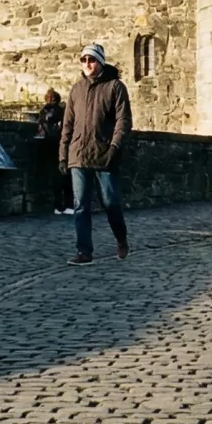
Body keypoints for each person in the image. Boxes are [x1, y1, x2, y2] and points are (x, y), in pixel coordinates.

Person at [60, 43, 132, 264]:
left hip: (103, 153)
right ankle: (84, 251)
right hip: (79, 154)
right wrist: (63, 154)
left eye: (91, 60)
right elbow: (68, 125)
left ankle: (121, 239)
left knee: (110, 203)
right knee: (81, 205)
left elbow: (123, 121)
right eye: (83, 60)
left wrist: (114, 147)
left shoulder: (115, 87)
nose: (87, 64)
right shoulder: (76, 89)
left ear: (100, 61)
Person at [35, 89, 74, 214]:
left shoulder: (43, 111)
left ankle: (59, 206)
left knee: (58, 178)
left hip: (50, 146)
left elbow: (40, 127)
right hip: (59, 146)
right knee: (64, 178)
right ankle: (67, 205)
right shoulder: (62, 111)